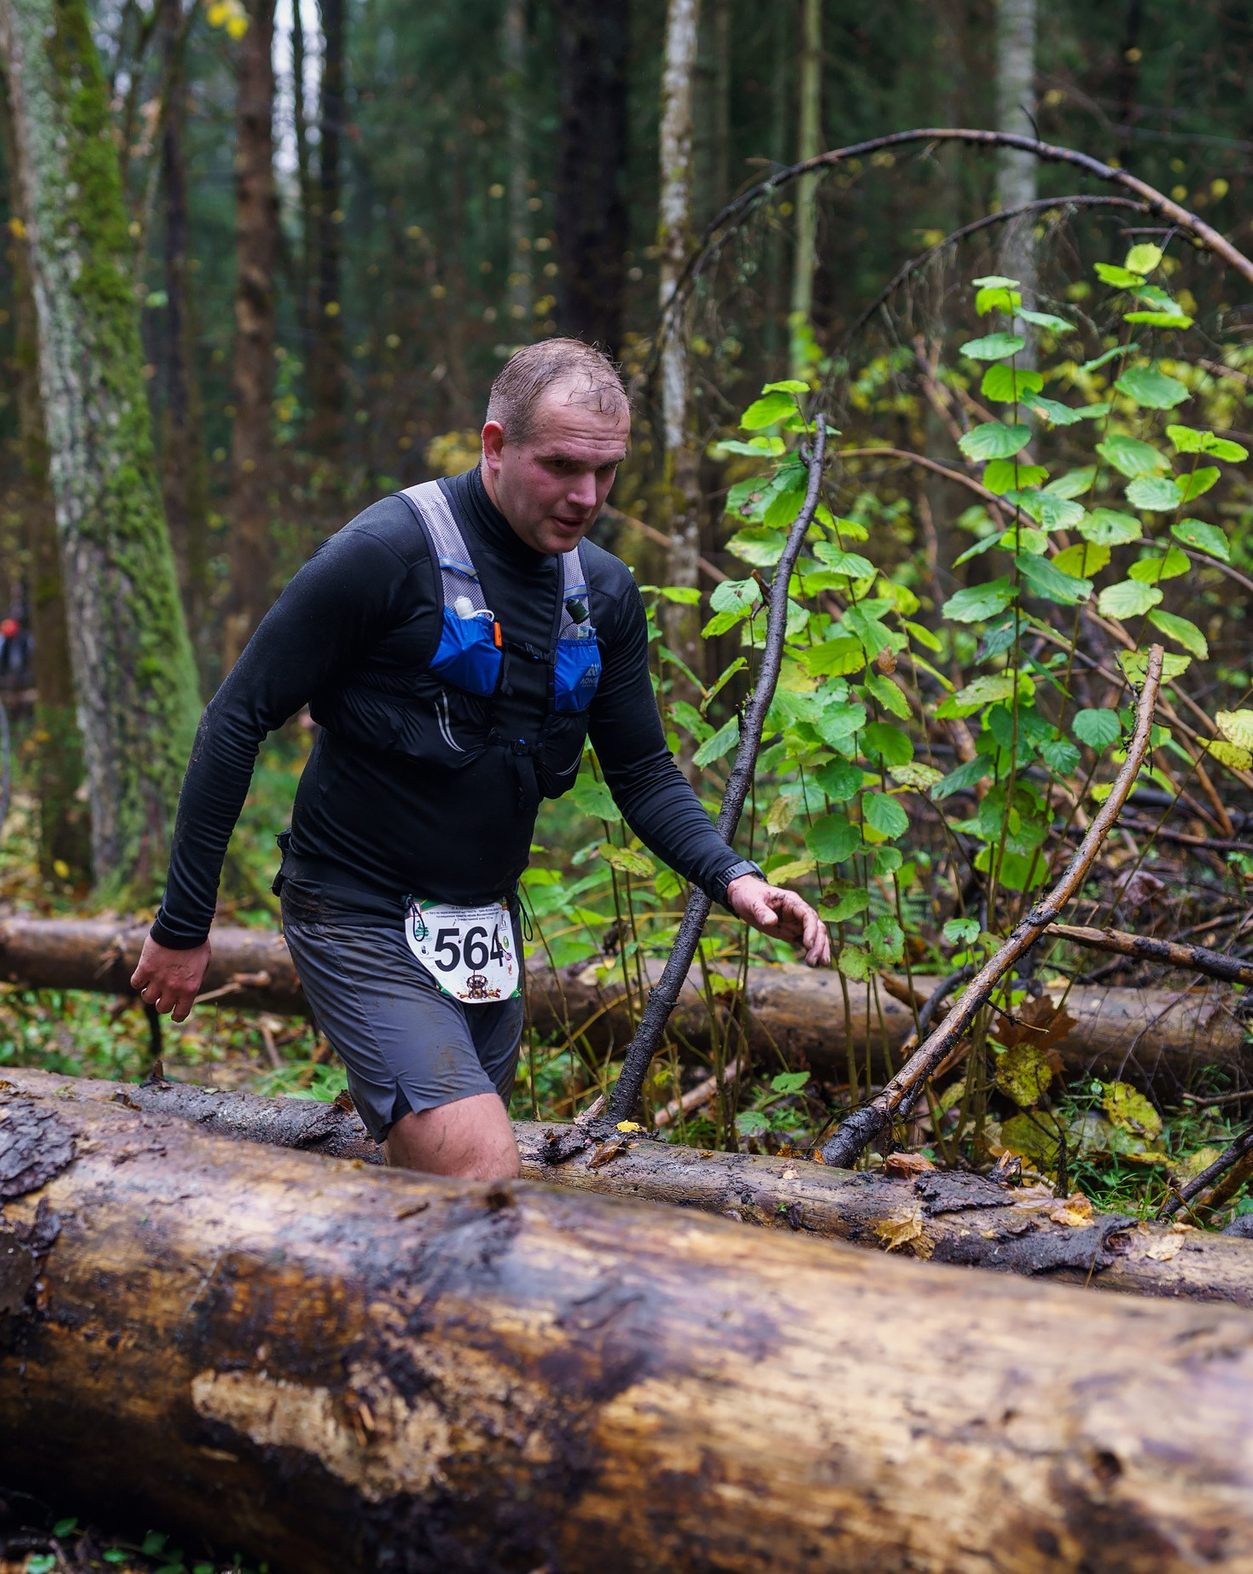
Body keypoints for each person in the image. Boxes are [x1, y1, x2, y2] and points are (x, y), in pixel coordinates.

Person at [130, 340, 828, 1181]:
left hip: (479, 930)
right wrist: (182, 923)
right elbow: (236, 718)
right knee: (479, 1170)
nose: (586, 496)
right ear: (494, 445)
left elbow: (641, 772)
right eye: (562, 465)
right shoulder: (387, 553)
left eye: (606, 471)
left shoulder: (601, 594)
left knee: (429, 1194)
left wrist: (737, 878)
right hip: (355, 910)